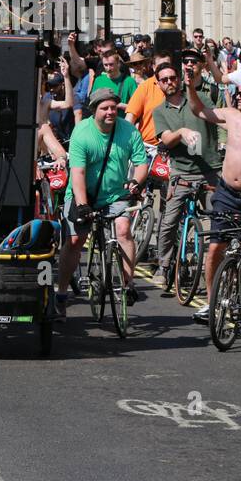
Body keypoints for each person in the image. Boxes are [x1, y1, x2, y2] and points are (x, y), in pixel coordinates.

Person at [55, 89, 149, 314]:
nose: (110, 112)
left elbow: (141, 163)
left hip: (115, 195)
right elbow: (77, 173)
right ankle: (60, 293)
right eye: (104, 108)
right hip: (82, 194)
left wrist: (135, 181)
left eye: (113, 108)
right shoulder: (82, 133)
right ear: (93, 110)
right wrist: (82, 204)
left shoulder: (128, 131)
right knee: (76, 240)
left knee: (124, 229)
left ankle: (128, 284)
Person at [152, 62, 221, 303]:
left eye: (173, 77)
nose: (170, 82)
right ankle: (164, 264)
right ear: (158, 84)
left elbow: (217, 119)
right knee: (169, 222)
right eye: (164, 79)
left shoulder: (200, 98)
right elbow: (167, 140)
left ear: (179, 79)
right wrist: (180, 131)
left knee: (219, 220)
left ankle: (220, 266)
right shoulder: (159, 111)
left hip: (210, 171)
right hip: (181, 174)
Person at [184, 69, 241, 325]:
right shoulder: (232, 117)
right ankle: (211, 303)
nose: (238, 97)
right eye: (238, 93)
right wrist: (189, 85)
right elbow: (199, 110)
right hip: (227, 194)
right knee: (215, 249)